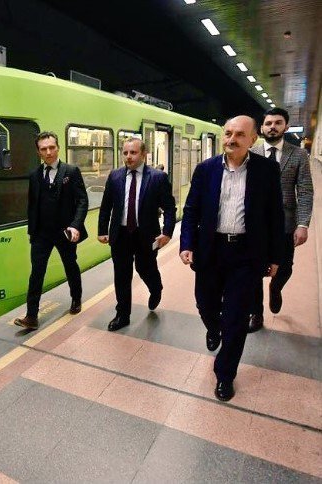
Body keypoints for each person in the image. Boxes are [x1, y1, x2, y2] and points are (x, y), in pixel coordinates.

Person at [180, 115, 284, 402]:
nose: (232, 139)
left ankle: (225, 374)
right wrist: (186, 243)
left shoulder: (267, 170)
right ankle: (214, 327)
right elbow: (191, 211)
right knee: (205, 303)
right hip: (211, 251)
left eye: (239, 134)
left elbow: (275, 216)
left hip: (246, 255)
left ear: (253, 139)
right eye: (228, 133)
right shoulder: (206, 170)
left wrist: (276, 256)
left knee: (237, 319)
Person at [98, 138, 176, 331]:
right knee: (122, 275)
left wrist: (167, 233)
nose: (128, 157)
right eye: (125, 153)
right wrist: (102, 231)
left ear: (143, 154)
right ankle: (122, 315)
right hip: (121, 234)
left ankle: (155, 288)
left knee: (145, 268)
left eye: (133, 153)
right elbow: (106, 206)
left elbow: (169, 208)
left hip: (146, 234)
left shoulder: (157, 177)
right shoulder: (115, 176)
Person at [247, 107, 313, 332]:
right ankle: (256, 313)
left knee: (284, 267)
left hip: (285, 223)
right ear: (262, 127)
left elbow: (304, 191)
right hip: (255, 223)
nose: (272, 127)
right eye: (268, 123)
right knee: (253, 269)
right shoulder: (251, 152)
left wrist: (303, 224)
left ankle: (276, 288)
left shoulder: (298, 155)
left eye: (277, 123)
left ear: (285, 126)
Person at [14, 131, 89, 330]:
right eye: (44, 149)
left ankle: (76, 299)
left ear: (58, 148)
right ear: (38, 152)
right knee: (36, 273)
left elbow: (82, 200)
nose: (48, 152)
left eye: (51, 147)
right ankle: (31, 316)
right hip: (41, 234)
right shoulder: (34, 175)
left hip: (64, 232)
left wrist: (75, 225)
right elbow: (33, 206)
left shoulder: (71, 171)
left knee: (70, 266)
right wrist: (33, 232)